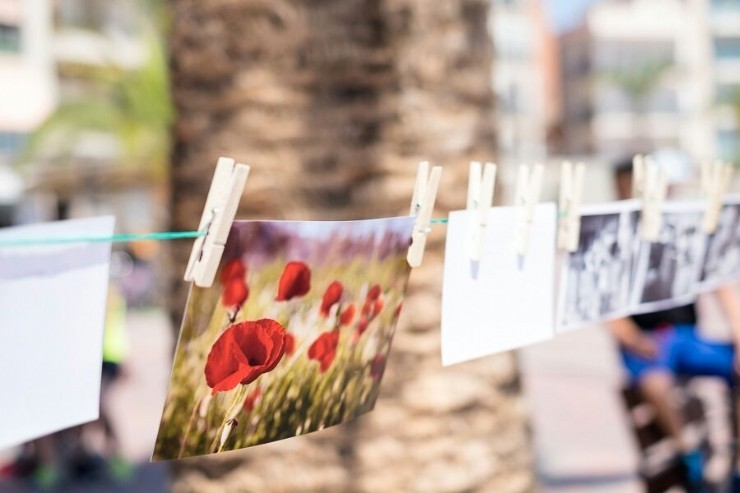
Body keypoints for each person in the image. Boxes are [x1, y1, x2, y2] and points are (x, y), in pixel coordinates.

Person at [610, 158, 740, 492]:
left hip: (689, 337)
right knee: (655, 384)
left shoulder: (683, 231)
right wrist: (630, 337)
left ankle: (735, 459)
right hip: (649, 340)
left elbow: (720, 284)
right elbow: (604, 304)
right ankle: (688, 457)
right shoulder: (616, 235)